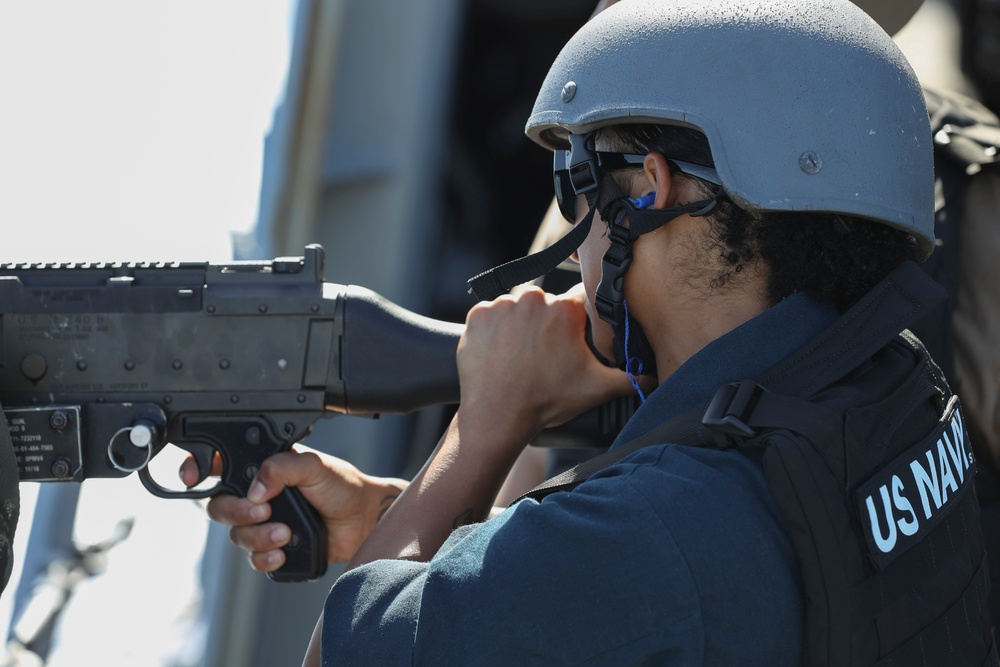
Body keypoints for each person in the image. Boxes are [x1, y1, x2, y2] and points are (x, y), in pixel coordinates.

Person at [187, 1, 996, 664]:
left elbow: (345, 656)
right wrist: (414, 525)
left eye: (577, 184)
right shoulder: (889, 384)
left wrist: (486, 424)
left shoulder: (646, 532)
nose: (576, 235)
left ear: (653, 187)